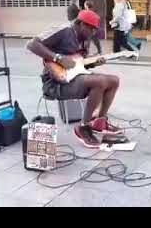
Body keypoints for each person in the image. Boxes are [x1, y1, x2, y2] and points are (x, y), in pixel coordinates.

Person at [26, 10, 123, 149]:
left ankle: (99, 123)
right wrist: (57, 58)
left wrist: (94, 63)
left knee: (114, 80)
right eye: (92, 29)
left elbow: (78, 64)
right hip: (55, 82)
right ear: (82, 24)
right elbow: (31, 44)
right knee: (100, 82)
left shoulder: (85, 40)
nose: (93, 33)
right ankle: (83, 127)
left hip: (74, 76)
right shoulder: (64, 30)